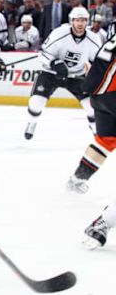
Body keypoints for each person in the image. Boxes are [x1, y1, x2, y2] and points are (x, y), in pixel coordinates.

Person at [64, 34, 116, 249]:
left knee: (105, 141)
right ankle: (103, 223)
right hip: (113, 95)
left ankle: (78, 178)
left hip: (100, 95)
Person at [23, 7, 102, 140]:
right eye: (77, 20)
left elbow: (98, 61)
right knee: (36, 102)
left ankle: (97, 133)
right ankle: (31, 123)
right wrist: (54, 63)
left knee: (92, 107)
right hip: (51, 73)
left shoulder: (94, 39)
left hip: (76, 75)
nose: (80, 23)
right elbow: (43, 54)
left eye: (83, 20)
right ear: (72, 21)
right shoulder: (59, 33)